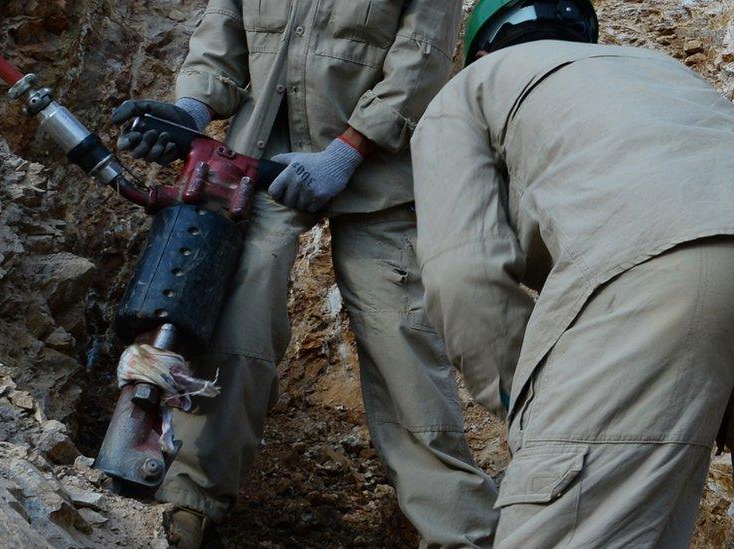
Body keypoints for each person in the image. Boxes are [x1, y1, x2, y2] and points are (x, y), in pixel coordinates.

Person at [111, 1, 502, 546]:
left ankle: (462, 530)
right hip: (258, 169)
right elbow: (223, 33)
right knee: (237, 320)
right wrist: (192, 110)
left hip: (379, 176)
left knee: (401, 342)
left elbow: (423, 59)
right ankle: (190, 502)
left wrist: (347, 152)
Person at [411, 0, 734, 546]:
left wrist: (533, 410)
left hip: (659, 271)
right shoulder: (662, 71)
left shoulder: (474, 86)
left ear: (481, 50)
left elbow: (462, 274)